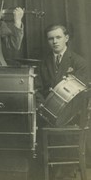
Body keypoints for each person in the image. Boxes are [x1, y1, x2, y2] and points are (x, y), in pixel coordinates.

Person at [37, 24, 88, 179]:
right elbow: (37, 88)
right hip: (47, 111)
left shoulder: (79, 62)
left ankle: (64, 172)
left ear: (66, 38)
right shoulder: (43, 63)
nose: (55, 41)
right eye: (51, 38)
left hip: (72, 113)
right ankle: (47, 170)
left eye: (58, 37)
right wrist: (41, 104)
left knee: (62, 123)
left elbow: (81, 94)